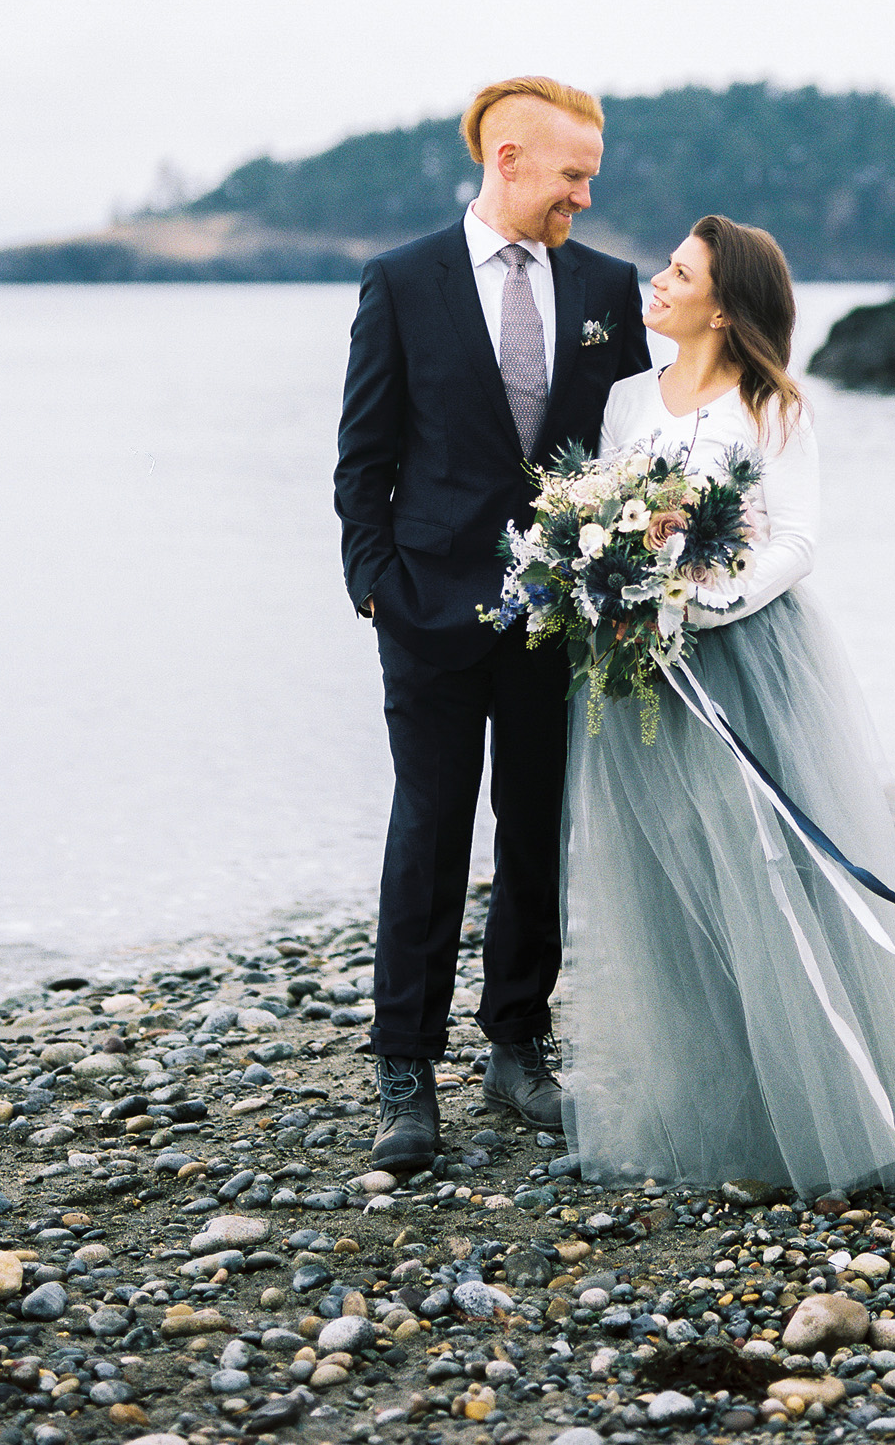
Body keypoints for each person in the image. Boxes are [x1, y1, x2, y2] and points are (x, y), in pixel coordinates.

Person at [560, 215, 895, 1195]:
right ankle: (718, 1104)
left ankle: (830, 1106)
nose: (656, 282)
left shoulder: (770, 404)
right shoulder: (629, 399)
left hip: (744, 664)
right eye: (666, 267)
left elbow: (795, 540)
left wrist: (700, 600)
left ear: (724, 301)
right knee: (671, 872)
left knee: (762, 868)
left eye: (679, 271)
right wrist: (607, 586)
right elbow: (603, 510)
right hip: (639, 676)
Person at [335, 76, 650, 1169]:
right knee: (427, 833)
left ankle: (517, 1042)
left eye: (592, 176)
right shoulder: (402, 280)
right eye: (572, 174)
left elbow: (640, 450)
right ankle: (404, 1069)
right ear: (508, 158)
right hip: (424, 609)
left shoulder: (610, 284)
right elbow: (362, 462)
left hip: (561, 617)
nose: (585, 193)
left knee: (536, 830)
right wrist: (373, 582)